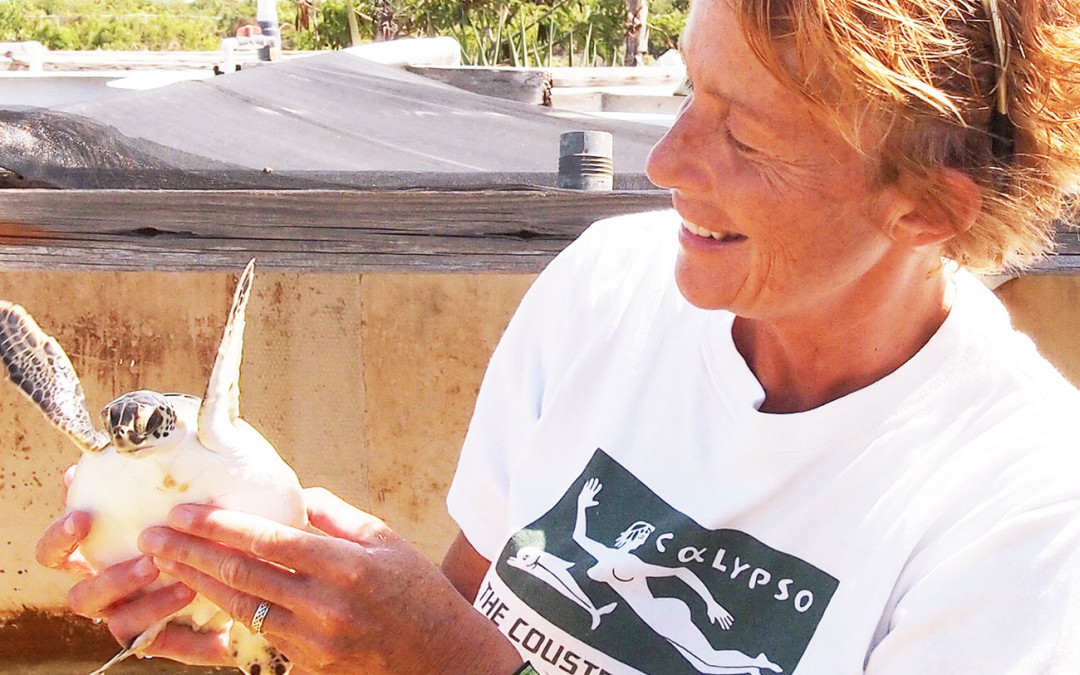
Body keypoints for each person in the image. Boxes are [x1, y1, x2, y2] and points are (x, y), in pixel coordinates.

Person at [34, 0, 1080, 672]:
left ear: (927, 211)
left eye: (745, 134)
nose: (665, 161)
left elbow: (455, 655)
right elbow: (467, 611)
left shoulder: (1022, 520)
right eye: (686, 88)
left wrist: (448, 662)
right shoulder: (611, 287)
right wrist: (261, 609)